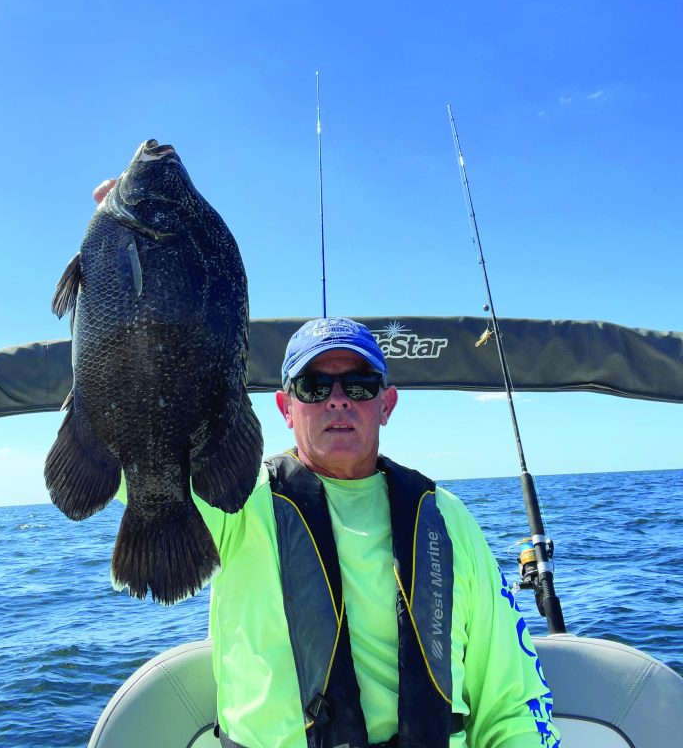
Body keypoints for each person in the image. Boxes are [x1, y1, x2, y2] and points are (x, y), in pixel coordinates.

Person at [191, 317, 561, 748]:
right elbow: (124, 464)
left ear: (386, 404)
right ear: (285, 408)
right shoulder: (230, 501)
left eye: (360, 385)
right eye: (313, 386)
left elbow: (511, 701)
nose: (337, 401)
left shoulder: (446, 516)